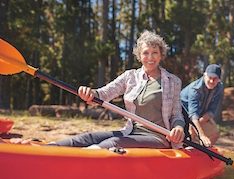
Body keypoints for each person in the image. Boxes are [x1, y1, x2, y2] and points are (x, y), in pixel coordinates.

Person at [44, 30, 185, 149]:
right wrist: (92, 93)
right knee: (87, 137)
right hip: (130, 132)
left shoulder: (173, 81)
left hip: (157, 137)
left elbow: (176, 114)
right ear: (139, 56)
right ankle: (48, 149)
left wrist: (178, 128)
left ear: (161, 54)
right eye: (145, 53)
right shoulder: (130, 76)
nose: (150, 57)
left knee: (112, 143)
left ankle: (86, 160)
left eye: (154, 52)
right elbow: (105, 93)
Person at [180, 64, 223, 147]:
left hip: (199, 117)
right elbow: (193, 115)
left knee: (215, 134)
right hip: (183, 116)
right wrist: (201, 135)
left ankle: (204, 153)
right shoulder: (194, 89)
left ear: (219, 80)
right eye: (210, 77)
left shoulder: (219, 87)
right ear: (204, 75)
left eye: (215, 79)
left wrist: (197, 126)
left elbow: (211, 111)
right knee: (189, 136)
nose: (211, 81)